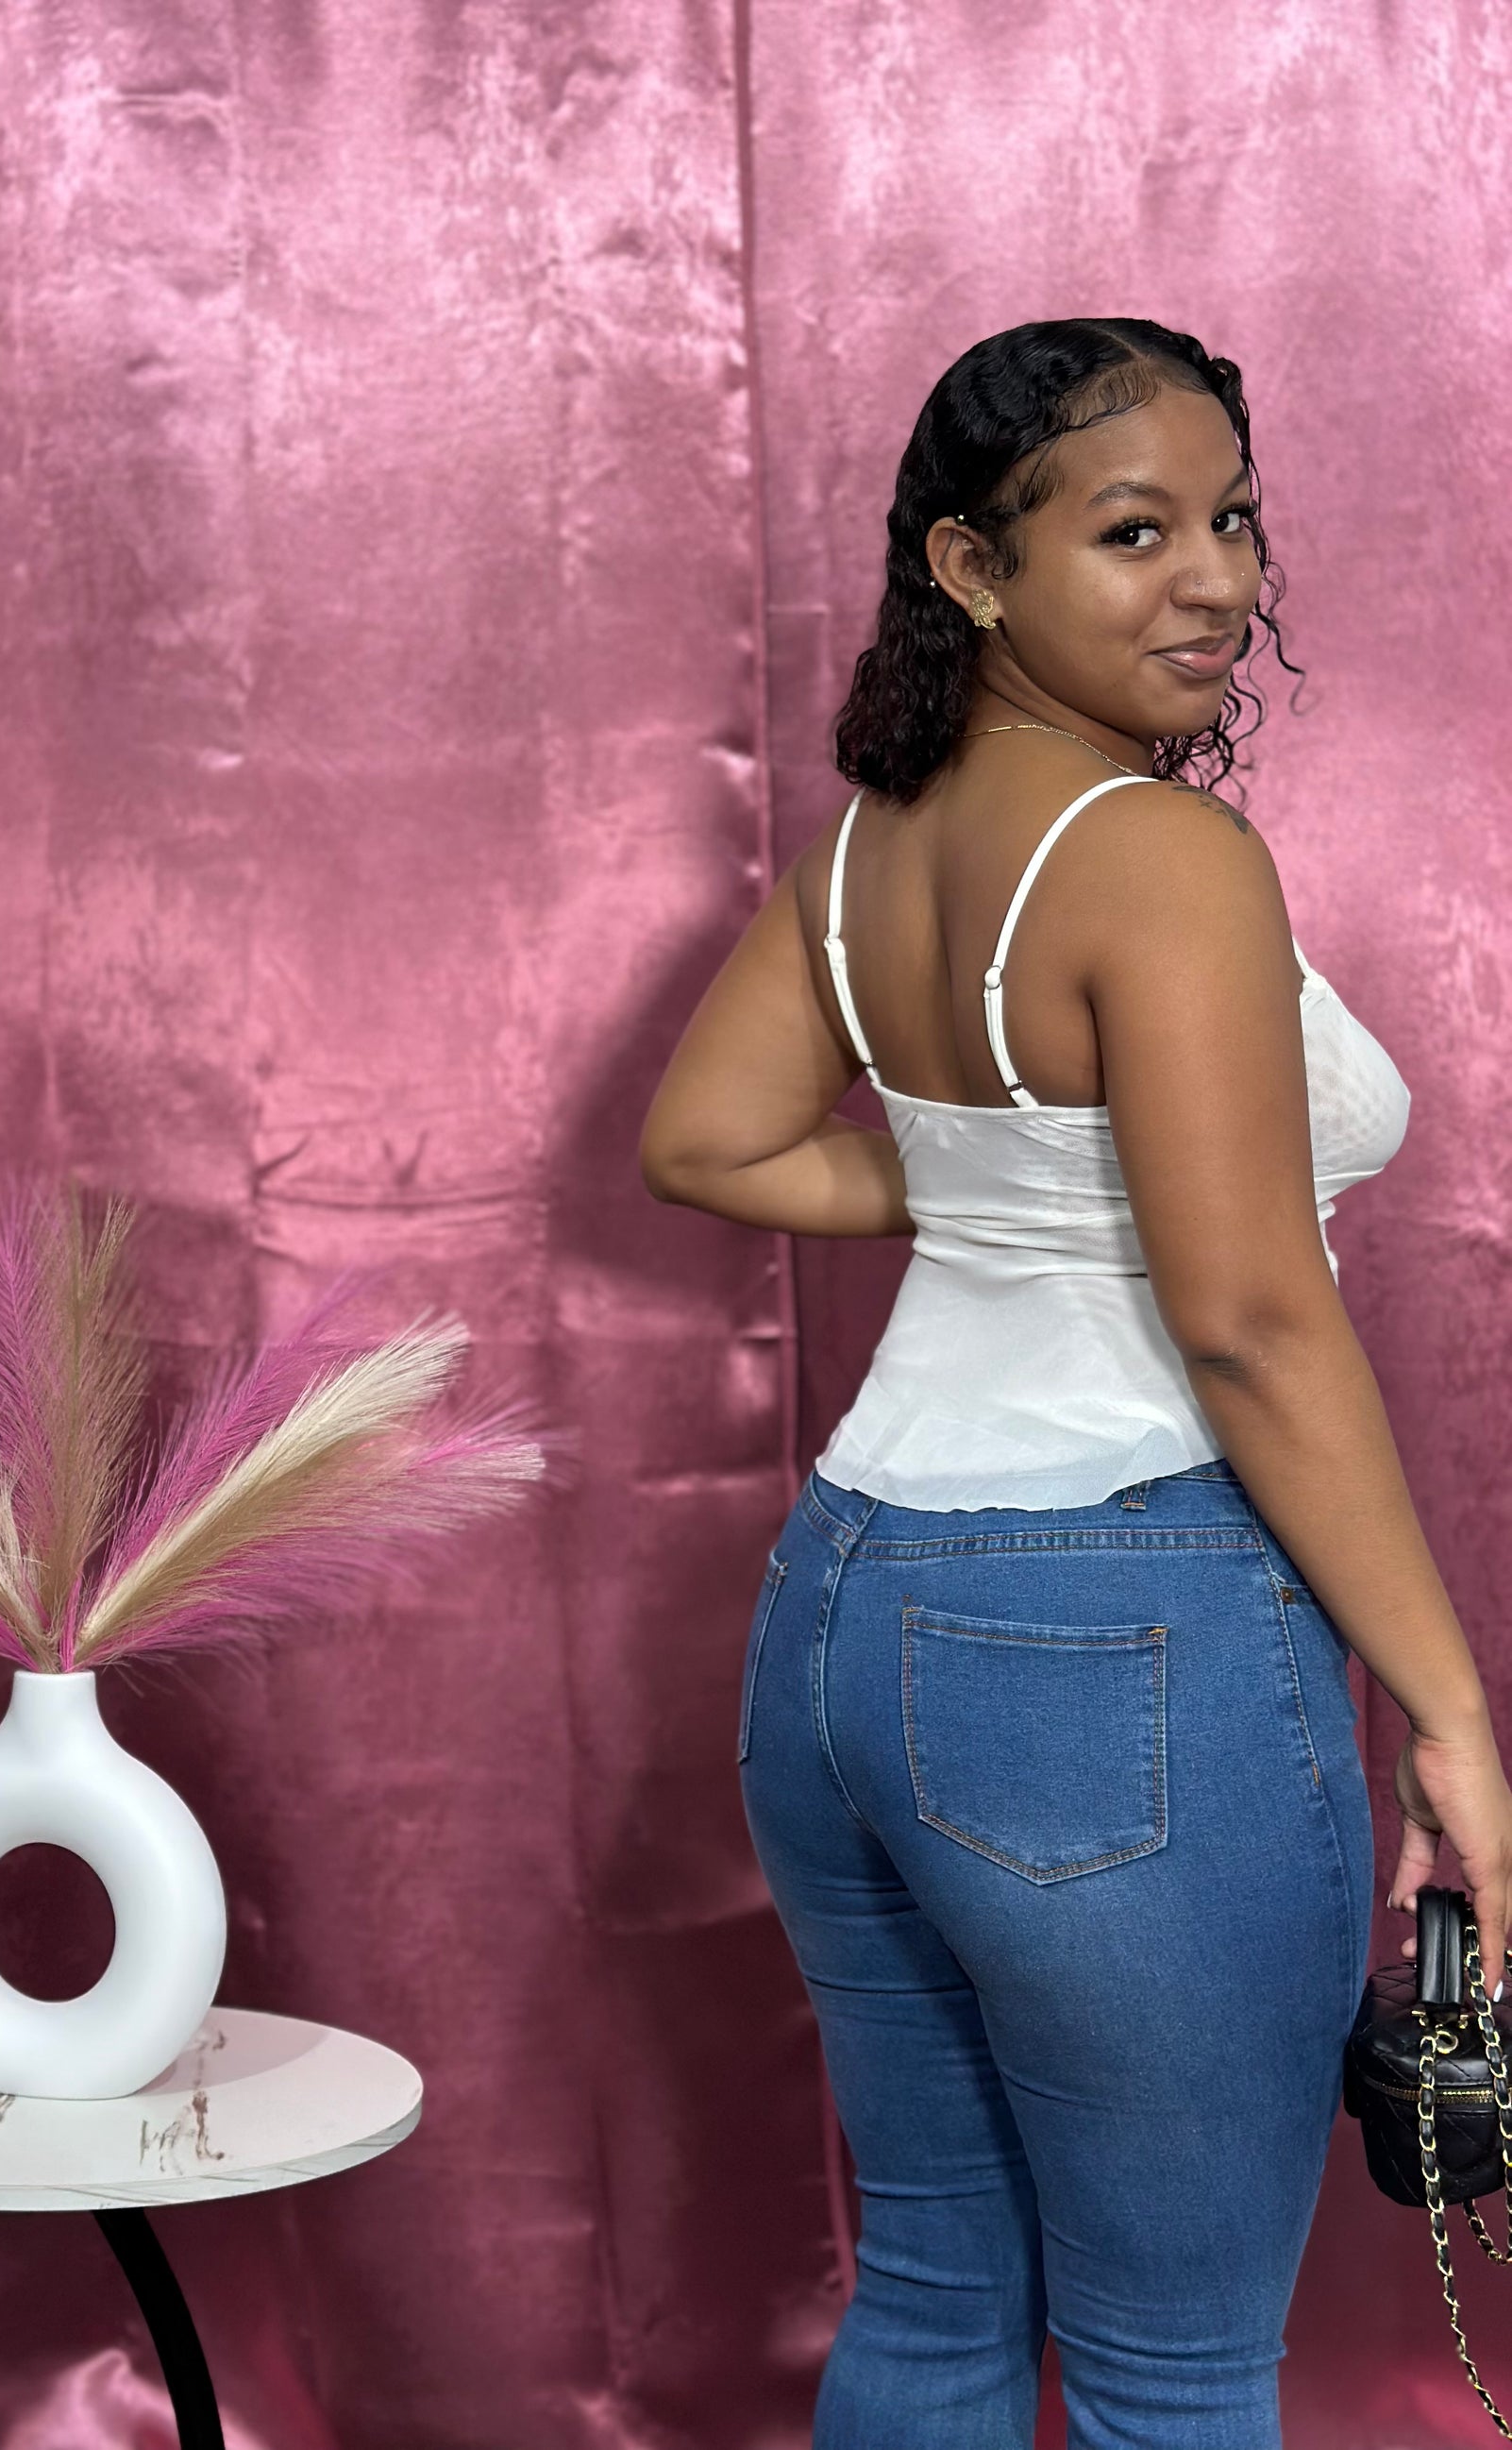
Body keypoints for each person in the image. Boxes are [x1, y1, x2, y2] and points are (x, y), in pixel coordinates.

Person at [638, 317, 1512, 2448]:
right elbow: (1250, 1323)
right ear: (969, 566)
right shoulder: (1156, 857)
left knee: (937, 2298)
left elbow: (711, 1142)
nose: (1211, 579)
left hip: (841, 1615)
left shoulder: (869, 849)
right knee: (1170, 2371)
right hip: (1111, 1634)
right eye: (1131, 532)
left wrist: (995, 1181)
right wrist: (1449, 1711)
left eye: (1231, 520)